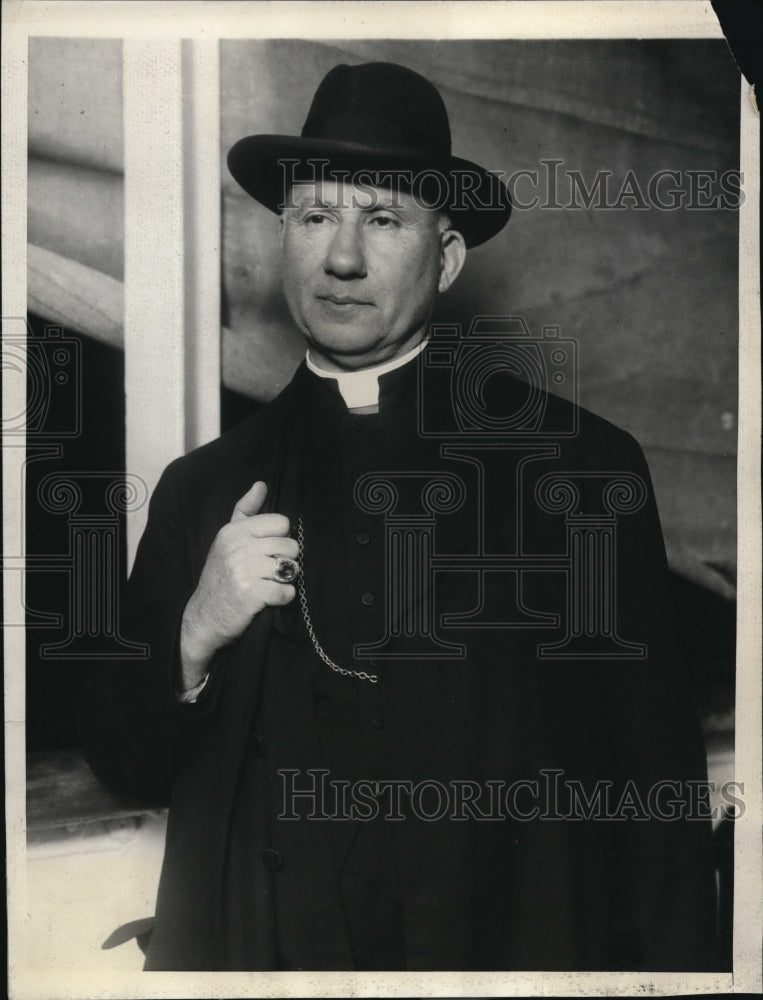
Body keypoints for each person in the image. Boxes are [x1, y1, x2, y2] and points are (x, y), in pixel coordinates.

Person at [81, 61, 718, 972]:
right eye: (314, 217)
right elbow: (125, 762)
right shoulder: (202, 487)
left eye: (381, 219)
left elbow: (654, 798)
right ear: (278, 241)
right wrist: (194, 634)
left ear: (447, 257)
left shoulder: (579, 471)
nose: (342, 258)